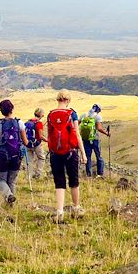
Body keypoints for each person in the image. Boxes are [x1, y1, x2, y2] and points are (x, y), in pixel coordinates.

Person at [47, 90, 87, 223]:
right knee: (74, 181)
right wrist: (83, 153)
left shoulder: (50, 115)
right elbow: (77, 135)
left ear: (57, 99)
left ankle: (59, 212)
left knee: (59, 182)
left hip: (55, 154)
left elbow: (49, 136)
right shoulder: (72, 114)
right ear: (68, 100)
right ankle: (76, 208)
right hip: (70, 152)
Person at [0, 99, 28, 205]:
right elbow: (25, 142)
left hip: (2, 156)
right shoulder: (19, 123)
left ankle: (8, 196)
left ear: (1, 111)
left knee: (1, 180)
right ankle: (11, 204)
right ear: (12, 108)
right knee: (11, 181)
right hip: (16, 156)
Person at [79, 104, 110, 177]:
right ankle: (99, 174)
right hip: (95, 139)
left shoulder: (84, 115)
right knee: (99, 156)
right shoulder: (97, 116)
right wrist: (107, 133)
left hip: (85, 139)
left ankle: (88, 175)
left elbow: (77, 123)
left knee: (88, 156)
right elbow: (99, 128)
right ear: (98, 110)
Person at [25, 108, 48, 179]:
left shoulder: (28, 122)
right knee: (41, 158)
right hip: (36, 144)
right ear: (40, 114)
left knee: (29, 160)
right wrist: (47, 140)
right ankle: (38, 174)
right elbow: (40, 136)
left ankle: (29, 176)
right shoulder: (39, 123)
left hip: (27, 143)